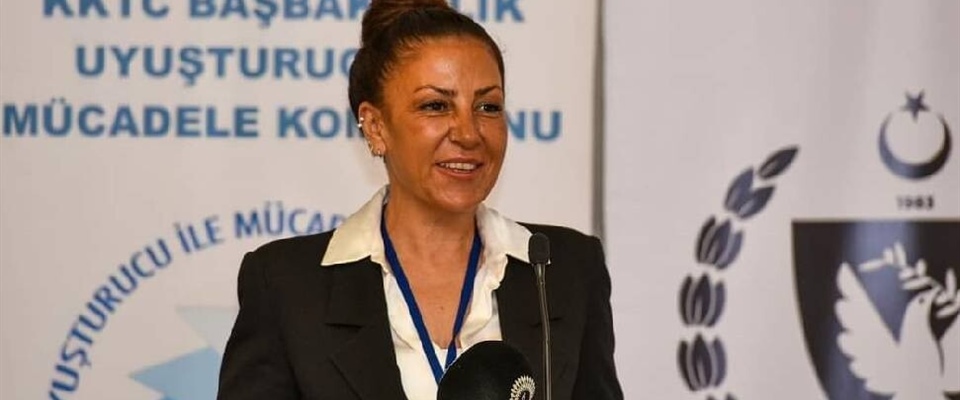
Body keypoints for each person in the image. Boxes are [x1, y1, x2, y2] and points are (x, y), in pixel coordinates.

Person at [216, 0, 622, 399]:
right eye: (436, 106)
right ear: (376, 127)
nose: (468, 133)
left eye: (488, 106)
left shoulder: (564, 270)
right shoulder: (287, 286)